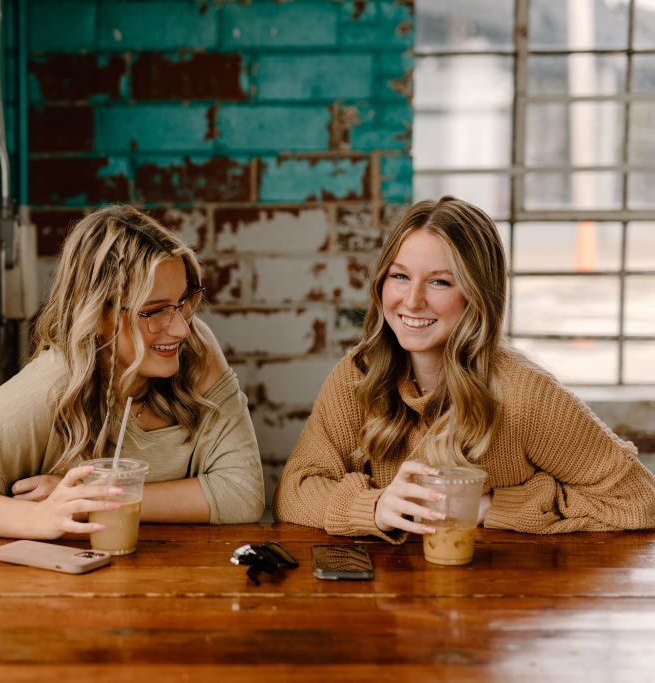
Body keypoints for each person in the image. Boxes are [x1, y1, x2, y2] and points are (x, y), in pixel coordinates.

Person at [273, 196, 655, 541]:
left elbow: (638, 500)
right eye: (400, 276)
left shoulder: (524, 395)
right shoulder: (359, 374)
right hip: (386, 602)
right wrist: (374, 507)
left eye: (439, 282)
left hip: (498, 596)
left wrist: (491, 507)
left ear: (477, 295)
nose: (412, 300)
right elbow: (293, 491)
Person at [0, 204, 265, 538]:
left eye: (184, 302)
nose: (181, 328)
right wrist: (36, 518)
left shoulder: (196, 349)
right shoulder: (54, 383)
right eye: (154, 311)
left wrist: (97, 500)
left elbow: (243, 493)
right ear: (98, 315)